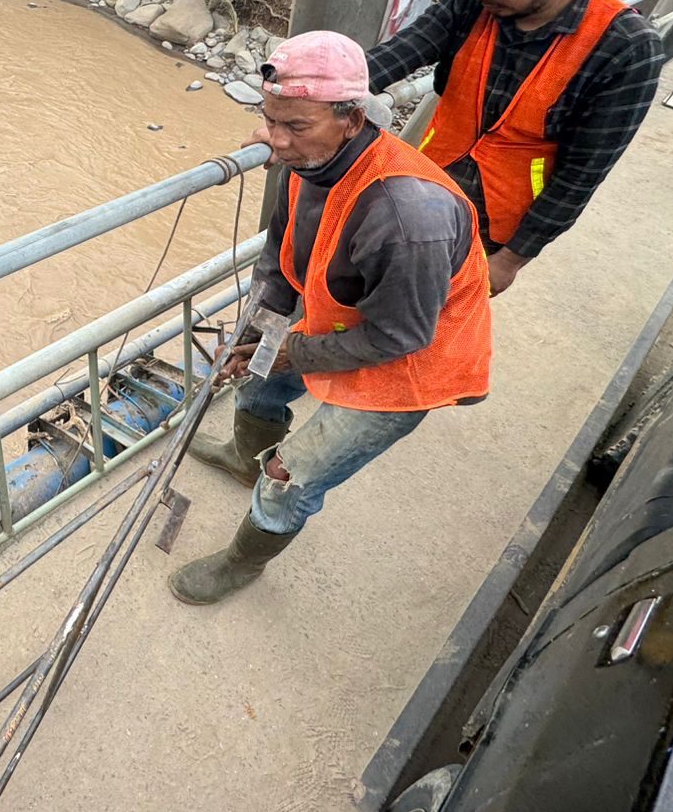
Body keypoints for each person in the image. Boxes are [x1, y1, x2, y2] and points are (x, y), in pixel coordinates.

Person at [171, 32, 492, 606]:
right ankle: (246, 458)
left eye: (296, 127)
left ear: (353, 118)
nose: (277, 141)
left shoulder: (406, 214)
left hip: (409, 363)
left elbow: (401, 336)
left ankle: (244, 561)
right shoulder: (309, 162)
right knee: (259, 377)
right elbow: (281, 248)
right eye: (272, 122)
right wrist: (259, 331)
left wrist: (295, 350)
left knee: (291, 476)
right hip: (348, 321)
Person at [366, 0, 662, 298]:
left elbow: (582, 174)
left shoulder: (624, 47)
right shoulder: (472, 7)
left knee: (419, 319)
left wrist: (510, 260)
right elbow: (388, 60)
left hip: (492, 228)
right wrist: (297, 111)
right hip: (420, 186)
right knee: (360, 284)